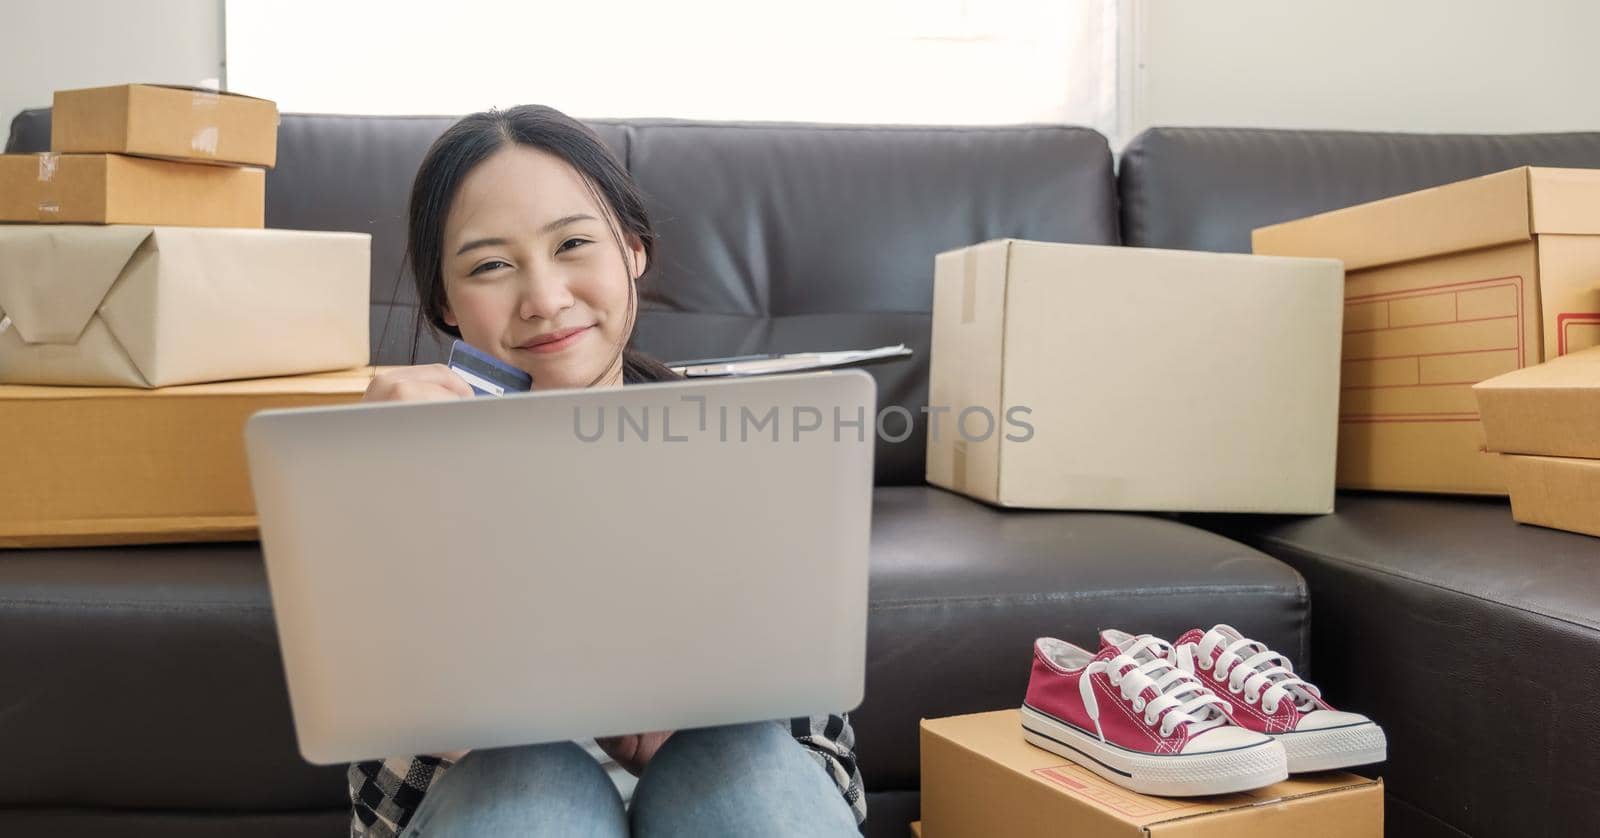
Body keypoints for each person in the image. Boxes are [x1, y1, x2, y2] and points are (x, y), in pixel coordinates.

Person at [350, 105, 865, 837]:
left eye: (574, 244)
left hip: (733, 799)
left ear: (632, 249)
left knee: (740, 764)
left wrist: (714, 711)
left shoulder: (746, 452)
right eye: (491, 264)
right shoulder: (398, 468)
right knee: (528, 778)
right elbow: (382, 807)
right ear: (445, 302)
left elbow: (826, 767)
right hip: (490, 804)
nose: (544, 299)